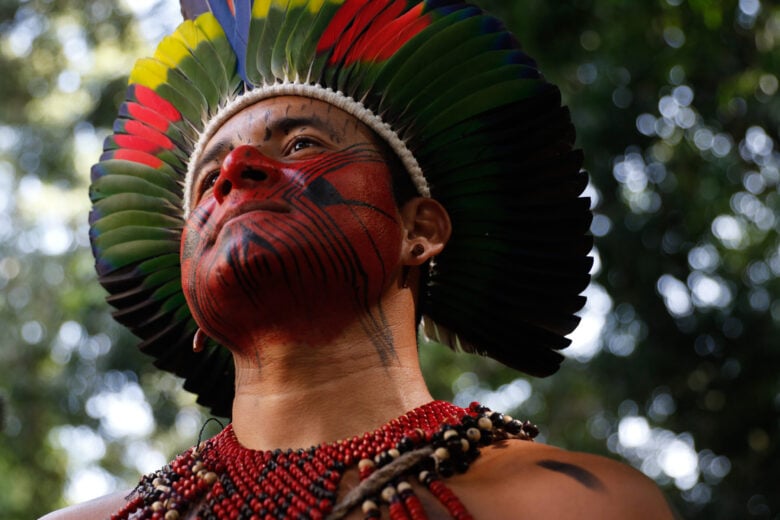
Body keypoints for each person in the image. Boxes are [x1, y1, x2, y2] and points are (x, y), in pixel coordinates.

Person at [44, 0, 676, 518]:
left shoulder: (570, 505)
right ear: (190, 293)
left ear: (419, 230)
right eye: (209, 179)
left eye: (301, 143)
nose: (235, 171)